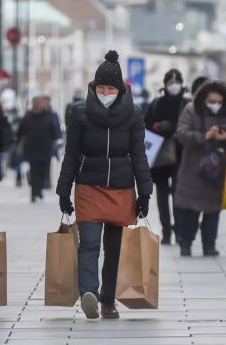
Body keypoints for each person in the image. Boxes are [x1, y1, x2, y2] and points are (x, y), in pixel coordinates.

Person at [56, 50, 153, 320]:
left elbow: (139, 154)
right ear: (93, 87)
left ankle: (108, 299)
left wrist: (145, 191)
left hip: (122, 187)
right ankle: (90, 292)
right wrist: (63, 190)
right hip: (88, 185)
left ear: (120, 90)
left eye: (110, 88)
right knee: (88, 243)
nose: (105, 92)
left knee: (114, 249)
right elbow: (71, 154)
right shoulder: (79, 113)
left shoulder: (133, 115)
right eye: (101, 87)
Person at [173, 80, 226, 257]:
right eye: (212, 101)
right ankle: (186, 243)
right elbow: (181, 133)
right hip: (193, 167)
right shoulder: (191, 110)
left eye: (219, 102)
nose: (216, 105)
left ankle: (209, 245)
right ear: (204, 99)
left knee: (213, 211)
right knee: (191, 210)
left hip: (217, 168)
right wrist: (204, 136)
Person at [144, 69, 188, 244]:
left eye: (177, 82)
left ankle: (179, 230)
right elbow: (146, 126)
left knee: (178, 194)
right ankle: (166, 231)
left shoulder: (187, 105)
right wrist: (158, 126)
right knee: (162, 195)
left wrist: (174, 130)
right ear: (165, 85)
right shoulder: (156, 104)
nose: (174, 86)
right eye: (170, 83)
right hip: (160, 158)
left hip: (181, 156)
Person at [17, 96, 60, 202]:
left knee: (39, 171)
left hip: (40, 147)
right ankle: (35, 192)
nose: (38, 105)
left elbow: (20, 131)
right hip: (37, 147)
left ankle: (38, 190)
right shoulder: (32, 115)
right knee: (36, 171)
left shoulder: (44, 115)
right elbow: (21, 130)